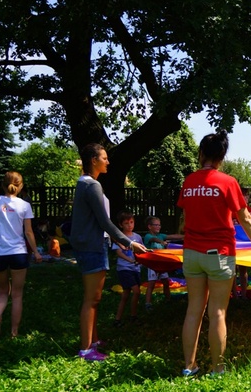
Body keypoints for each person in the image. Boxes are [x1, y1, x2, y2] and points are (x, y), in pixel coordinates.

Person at [178, 130, 251, 377]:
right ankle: (217, 368)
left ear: (201, 153)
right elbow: (246, 218)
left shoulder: (188, 182)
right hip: (219, 254)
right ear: (222, 156)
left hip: (192, 253)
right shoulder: (228, 182)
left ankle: (189, 366)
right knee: (217, 312)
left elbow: (185, 217)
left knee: (193, 310)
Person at [70, 143, 148, 362]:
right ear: (93, 160)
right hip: (92, 247)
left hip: (92, 245)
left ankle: (93, 340)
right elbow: (104, 221)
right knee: (92, 299)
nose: (108, 161)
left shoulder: (85, 184)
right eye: (104, 158)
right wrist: (128, 242)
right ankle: (86, 350)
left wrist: (119, 241)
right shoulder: (91, 185)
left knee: (94, 298)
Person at [0, 171, 42, 338]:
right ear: (21, 186)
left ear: (2, 185)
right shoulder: (24, 205)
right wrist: (36, 252)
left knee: (3, 291)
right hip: (18, 253)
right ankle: (14, 332)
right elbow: (29, 232)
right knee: (17, 294)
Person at [143, 215, 184, 311]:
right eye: (156, 225)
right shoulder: (148, 236)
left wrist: (185, 236)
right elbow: (154, 239)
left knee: (166, 282)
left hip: (162, 264)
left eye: (159, 225)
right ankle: (147, 303)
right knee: (151, 284)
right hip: (152, 264)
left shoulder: (161, 235)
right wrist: (162, 242)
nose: (158, 227)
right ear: (149, 226)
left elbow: (173, 236)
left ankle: (168, 300)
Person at [112, 210, 144, 327]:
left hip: (136, 269)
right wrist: (131, 260)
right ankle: (133, 316)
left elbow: (142, 250)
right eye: (126, 223)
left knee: (126, 294)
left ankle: (118, 319)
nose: (129, 225)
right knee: (136, 291)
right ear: (121, 225)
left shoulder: (137, 237)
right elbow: (118, 252)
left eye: (131, 222)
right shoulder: (119, 237)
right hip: (124, 269)